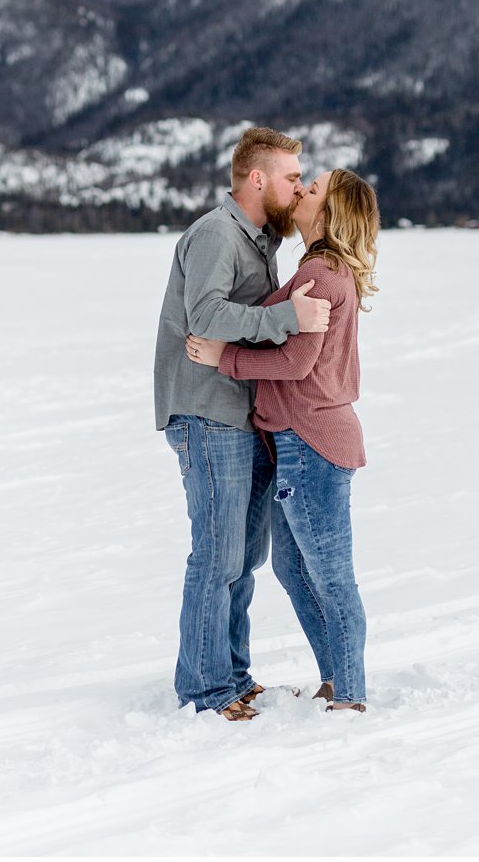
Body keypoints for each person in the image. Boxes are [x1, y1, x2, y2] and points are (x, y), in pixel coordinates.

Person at [153, 127, 329, 722]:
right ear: (258, 179)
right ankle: (204, 692)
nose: (297, 188)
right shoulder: (215, 234)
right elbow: (203, 314)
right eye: (290, 178)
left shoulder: (257, 242)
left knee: (244, 558)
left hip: (240, 415)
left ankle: (231, 673)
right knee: (217, 557)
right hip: (207, 413)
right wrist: (284, 318)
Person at [187, 169, 379, 713]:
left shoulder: (320, 273)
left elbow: (296, 361)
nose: (300, 191)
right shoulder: (320, 269)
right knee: (294, 569)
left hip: (313, 442)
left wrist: (222, 358)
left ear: (329, 213)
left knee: (330, 575)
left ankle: (351, 694)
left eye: (311, 189)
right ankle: (337, 679)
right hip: (302, 440)